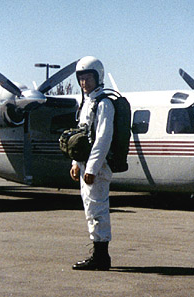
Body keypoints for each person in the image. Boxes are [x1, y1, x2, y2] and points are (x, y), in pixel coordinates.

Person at [70, 56, 114, 271]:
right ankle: (98, 254)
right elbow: (81, 136)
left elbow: (103, 138)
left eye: (88, 78)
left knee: (97, 209)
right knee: (91, 208)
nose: (84, 83)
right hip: (86, 165)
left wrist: (93, 168)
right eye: (81, 79)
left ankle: (101, 257)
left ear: (98, 78)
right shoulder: (87, 102)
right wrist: (76, 162)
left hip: (97, 167)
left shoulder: (104, 103)